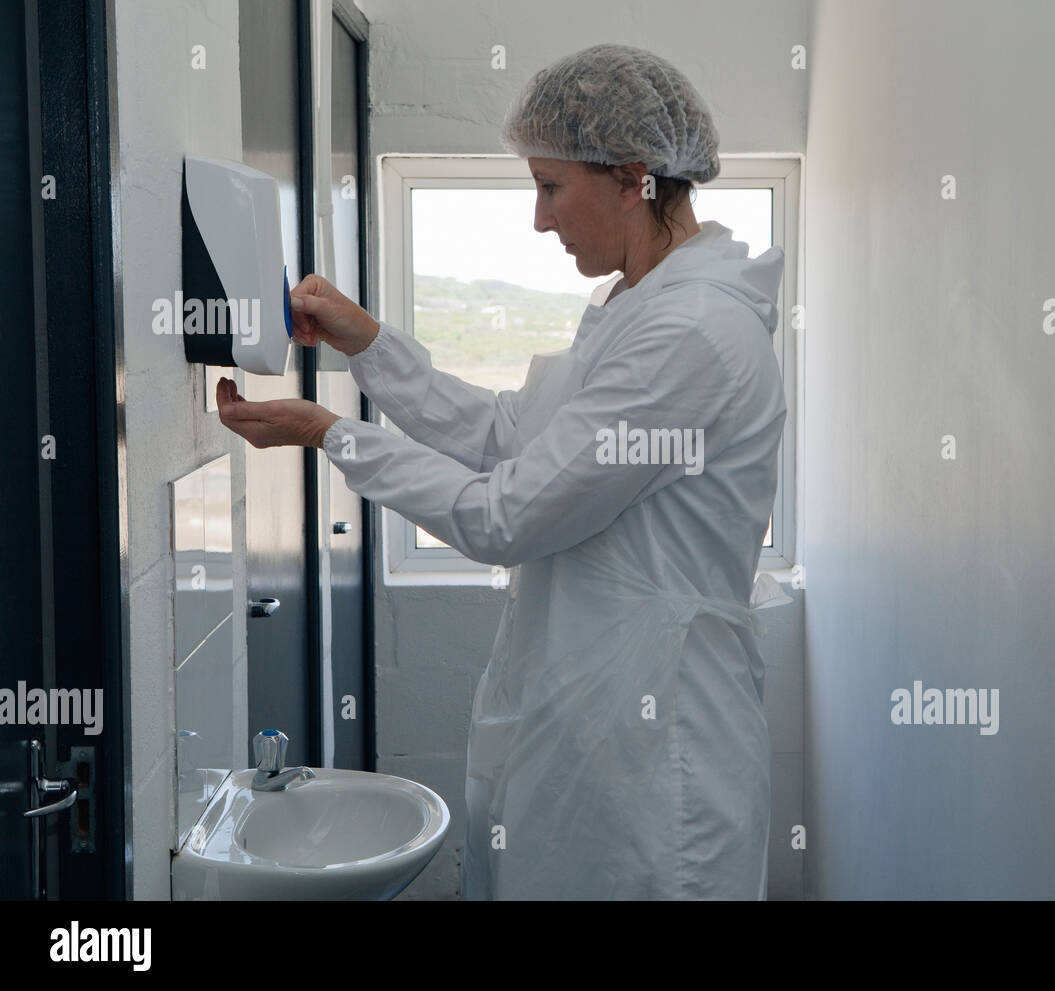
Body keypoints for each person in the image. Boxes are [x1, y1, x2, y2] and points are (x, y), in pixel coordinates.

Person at [216, 43, 789, 899]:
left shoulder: (692, 335)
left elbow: (507, 515)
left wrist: (331, 434)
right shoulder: (637, 310)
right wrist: (369, 345)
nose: (539, 219)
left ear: (634, 178)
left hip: (651, 743)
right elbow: (508, 436)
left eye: (551, 187)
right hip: (594, 716)